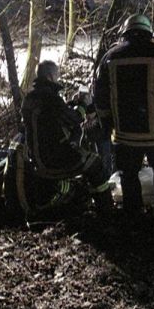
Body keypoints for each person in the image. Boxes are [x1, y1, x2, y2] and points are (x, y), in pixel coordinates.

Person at [94, 14, 154, 223]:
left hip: (125, 134)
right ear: (149, 32)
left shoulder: (109, 58)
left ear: (124, 33)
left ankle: (133, 213)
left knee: (128, 176)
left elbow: (99, 98)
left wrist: (108, 124)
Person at [21, 60, 113, 216]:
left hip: (36, 159)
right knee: (94, 163)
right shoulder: (50, 98)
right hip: (55, 158)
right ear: (50, 76)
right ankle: (106, 209)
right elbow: (74, 118)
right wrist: (83, 105)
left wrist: (72, 103)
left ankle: (80, 198)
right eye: (57, 74)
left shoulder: (29, 99)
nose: (59, 78)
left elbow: (53, 115)